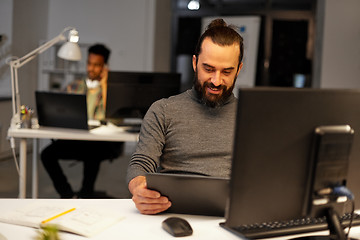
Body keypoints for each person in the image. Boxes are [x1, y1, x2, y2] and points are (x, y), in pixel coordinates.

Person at [126, 18, 244, 214]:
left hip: (230, 215)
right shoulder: (163, 110)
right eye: (208, 69)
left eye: (226, 72)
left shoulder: (249, 117)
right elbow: (141, 162)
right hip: (170, 212)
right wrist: (139, 188)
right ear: (195, 63)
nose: (216, 80)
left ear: (238, 69)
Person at [41, 44, 123, 199]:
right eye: (89, 63)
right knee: (46, 154)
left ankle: (86, 194)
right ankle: (67, 195)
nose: (91, 68)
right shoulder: (75, 86)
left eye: (97, 65)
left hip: (101, 143)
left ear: (105, 67)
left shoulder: (111, 90)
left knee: (92, 151)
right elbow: (58, 108)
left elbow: (114, 116)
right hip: (77, 138)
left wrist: (105, 85)